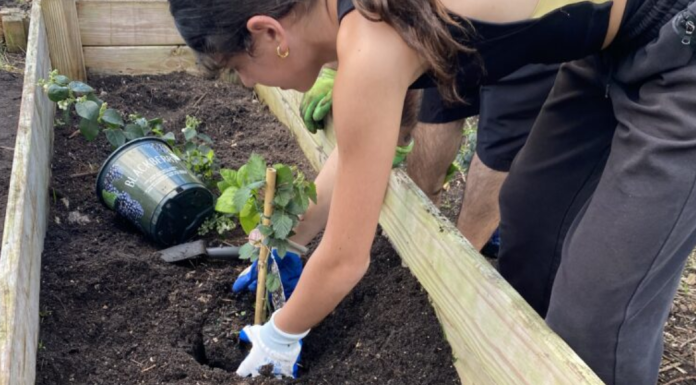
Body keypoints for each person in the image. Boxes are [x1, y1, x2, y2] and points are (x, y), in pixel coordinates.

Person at [168, 0, 696, 383]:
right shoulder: (356, 22)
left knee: (599, 318)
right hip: (601, 51)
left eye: (238, 67)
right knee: (530, 221)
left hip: (679, 45)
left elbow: (346, 261)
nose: (244, 84)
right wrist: (290, 238)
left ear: (268, 31)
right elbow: (353, 162)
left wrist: (281, 334)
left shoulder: (370, 43)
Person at [300, 63, 560, 252]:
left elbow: (344, 264)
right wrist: (337, 67)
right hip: (454, 15)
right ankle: (418, 239)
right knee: (439, 100)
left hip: (539, 18)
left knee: (502, 137)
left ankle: (461, 261)